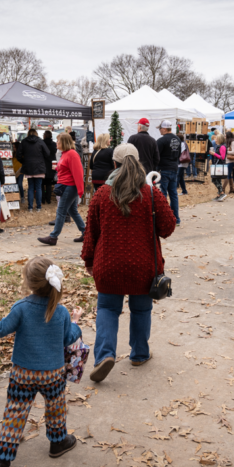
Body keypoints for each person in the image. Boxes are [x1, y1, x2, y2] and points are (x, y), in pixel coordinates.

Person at [0, 257, 83, 467]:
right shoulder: (60, 311)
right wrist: (75, 323)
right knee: (55, 407)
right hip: (53, 374)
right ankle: (58, 442)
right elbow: (68, 339)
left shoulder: (21, 307)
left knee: (15, 413)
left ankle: (1, 463)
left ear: (28, 282)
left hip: (22, 373)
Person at [80, 144, 176, 382]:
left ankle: (104, 356)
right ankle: (139, 353)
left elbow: (91, 233)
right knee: (141, 309)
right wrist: (158, 194)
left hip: (108, 264)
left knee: (107, 309)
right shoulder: (151, 193)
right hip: (143, 265)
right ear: (139, 163)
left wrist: (89, 260)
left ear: (114, 164)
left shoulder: (102, 194)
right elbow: (168, 227)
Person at [38, 133, 85, 246]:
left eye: (58, 141)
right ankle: (86, 232)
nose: (56, 143)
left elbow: (78, 173)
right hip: (66, 185)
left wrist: (80, 191)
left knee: (61, 211)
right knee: (72, 211)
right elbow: (65, 167)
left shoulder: (72, 154)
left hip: (70, 186)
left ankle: (53, 237)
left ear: (63, 142)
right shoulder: (65, 153)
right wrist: (58, 167)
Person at [156, 120, 181, 225]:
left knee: (162, 194)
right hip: (174, 168)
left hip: (164, 169)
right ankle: (176, 219)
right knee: (173, 194)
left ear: (164, 128)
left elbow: (156, 156)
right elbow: (179, 154)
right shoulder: (178, 139)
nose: (159, 131)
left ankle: (164, 218)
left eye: (160, 128)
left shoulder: (161, 141)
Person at [18, 129, 50, 212]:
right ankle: (38, 207)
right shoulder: (40, 141)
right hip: (39, 167)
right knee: (38, 187)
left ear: (28, 134)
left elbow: (18, 155)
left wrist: (24, 161)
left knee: (30, 188)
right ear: (36, 133)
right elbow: (47, 153)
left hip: (29, 168)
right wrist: (42, 160)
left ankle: (30, 207)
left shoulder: (24, 141)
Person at [210, 133, 228, 201]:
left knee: (214, 179)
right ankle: (219, 195)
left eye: (216, 138)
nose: (215, 140)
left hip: (219, 165)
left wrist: (214, 154)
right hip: (218, 165)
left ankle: (221, 193)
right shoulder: (220, 146)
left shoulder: (222, 146)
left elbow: (222, 157)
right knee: (218, 180)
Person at [42, 130, 57, 204]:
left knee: (41, 184)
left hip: (43, 165)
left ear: (44, 135)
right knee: (48, 184)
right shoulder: (54, 144)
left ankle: (43, 199)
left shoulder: (42, 143)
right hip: (51, 165)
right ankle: (48, 199)